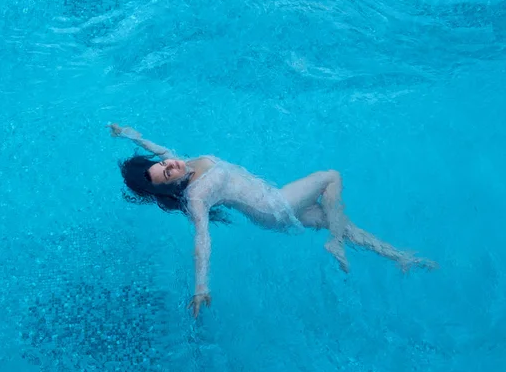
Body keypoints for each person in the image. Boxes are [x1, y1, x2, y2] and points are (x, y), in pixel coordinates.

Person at [107, 123, 437, 317]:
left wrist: (126, 133)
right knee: (330, 177)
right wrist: (201, 287)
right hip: (276, 207)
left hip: (276, 202)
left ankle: (401, 258)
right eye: (167, 173)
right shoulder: (196, 196)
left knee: (341, 222)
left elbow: (153, 145)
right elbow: (202, 241)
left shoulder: (177, 159)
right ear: (171, 184)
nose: (172, 166)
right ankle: (334, 242)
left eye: (166, 164)